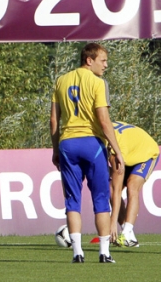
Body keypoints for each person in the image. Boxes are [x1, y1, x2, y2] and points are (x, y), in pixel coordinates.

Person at [50, 43, 125, 264]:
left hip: (67, 144)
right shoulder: (97, 83)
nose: (106, 65)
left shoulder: (61, 80)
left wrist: (55, 149)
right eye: (103, 60)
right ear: (89, 60)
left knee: (72, 199)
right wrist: (116, 150)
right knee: (101, 198)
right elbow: (103, 120)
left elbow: (54, 120)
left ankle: (77, 253)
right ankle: (104, 253)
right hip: (92, 145)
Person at [108, 121, 159, 248]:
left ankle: (126, 232)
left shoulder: (118, 149)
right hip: (130, 152)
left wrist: (112, 222)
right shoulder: (100, 137)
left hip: (146, 154)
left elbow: (117, 189)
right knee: (108, 189)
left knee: (132, 186)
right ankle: (130, 237)